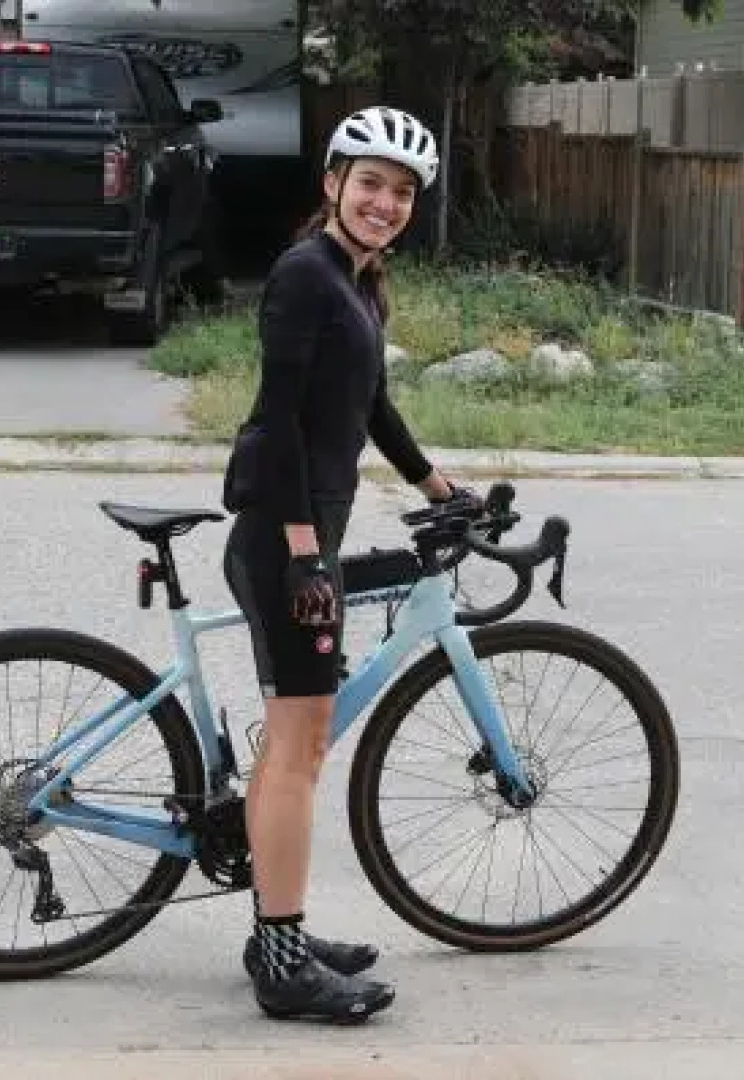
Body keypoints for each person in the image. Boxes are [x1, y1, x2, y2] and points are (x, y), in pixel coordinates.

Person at [220, 105, 479, 1024]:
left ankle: (273, 929)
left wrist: (438, 483)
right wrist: (302, 555)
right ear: (332, 184)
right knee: (298, 752)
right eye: (370, 183)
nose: (386, 202)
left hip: (303, 529)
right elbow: (279, 420)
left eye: (403, 191)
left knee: (293, 744)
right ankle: (283, 968)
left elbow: (369, 403)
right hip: (279, 532)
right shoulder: (303, 276)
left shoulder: (358, 281)